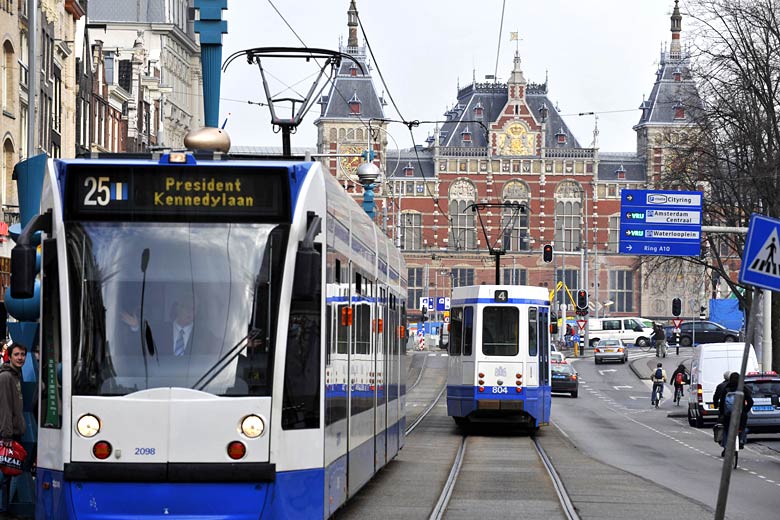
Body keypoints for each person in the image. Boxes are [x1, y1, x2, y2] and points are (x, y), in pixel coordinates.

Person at [0, 343, 27, 514]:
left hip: (13, 432)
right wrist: (7, 436)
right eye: (16, 354)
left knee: (8, 473)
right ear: (9, 356)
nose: (20, 358)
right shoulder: (5, 378)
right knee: (3, 475)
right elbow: (5, 408)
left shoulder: (16, 375)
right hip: (6, 435)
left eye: (23, 354)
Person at [717, 372, 754, 455]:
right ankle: (741, 440)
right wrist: (745, 411)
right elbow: (750, 402)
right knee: (742, 427)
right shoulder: (743, 389)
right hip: (740, 415)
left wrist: (722, 413)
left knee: (726, 430)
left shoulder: (726, 389)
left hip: (728, 415)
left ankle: (726, 446)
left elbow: (722, 403)